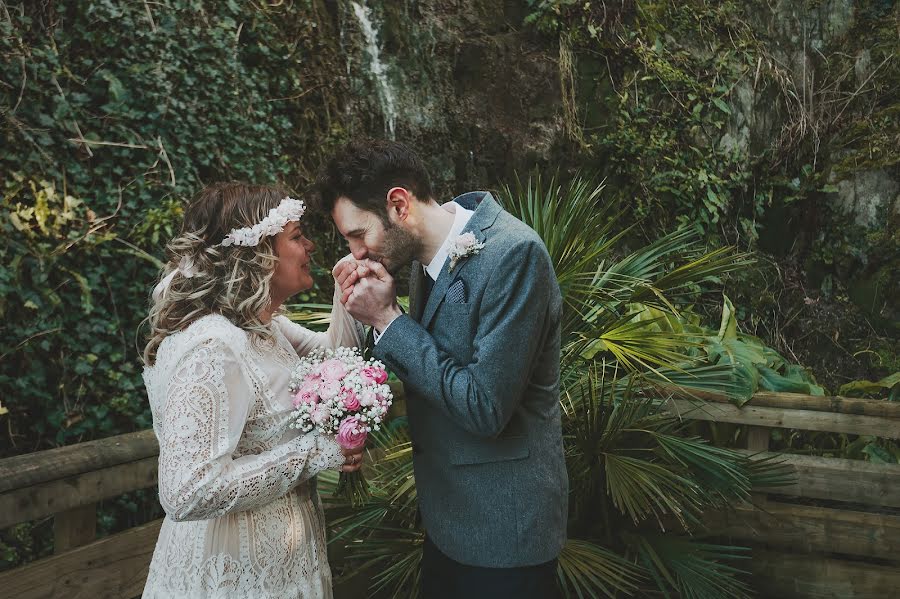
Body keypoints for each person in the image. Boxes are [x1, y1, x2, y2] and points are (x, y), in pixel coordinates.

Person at [316, 140, 568, 599]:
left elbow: (485, 407)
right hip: (446, 521)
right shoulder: (417, 258)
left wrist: (388, 320)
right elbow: (426, 361)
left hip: (504, 532)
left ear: (398, 204)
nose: (355, 251)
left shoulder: (514, 255)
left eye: (357, 234)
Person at [141, 182, 365, 598]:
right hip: (231, 572)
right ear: (257, 254)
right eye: (297, 237)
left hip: (285, 561)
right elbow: (187, 491)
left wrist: (345, 293)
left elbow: (336, 358)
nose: (310, 246)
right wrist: (317, 451)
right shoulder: (213, 346)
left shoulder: (264, 326)